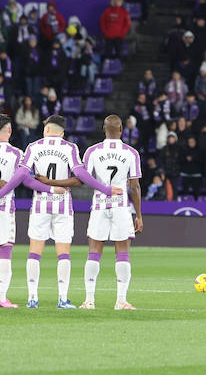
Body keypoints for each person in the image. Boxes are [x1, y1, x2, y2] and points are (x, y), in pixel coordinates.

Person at [17, 114, 116, 308]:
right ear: (62, 133)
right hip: (62, 204)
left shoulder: (33, 147)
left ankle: (32, 298)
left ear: (46, 130)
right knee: (63, 253)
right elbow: (80, 176)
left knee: (34, 251)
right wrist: (105, 189)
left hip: (40, 203)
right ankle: (62, 298)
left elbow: (24, 176)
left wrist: (45, 184)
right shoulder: (70, 148)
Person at [76, 116, 142, 310]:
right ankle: (121, 301)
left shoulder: (93, 151)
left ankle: (89, 300)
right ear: (121, 128)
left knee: (94, 252)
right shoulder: (131, 153)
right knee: (122, 253)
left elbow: (84, 178)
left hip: (99, 205)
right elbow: (135, 186)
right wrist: (138, 215)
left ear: (104, 129)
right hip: (121, 207)